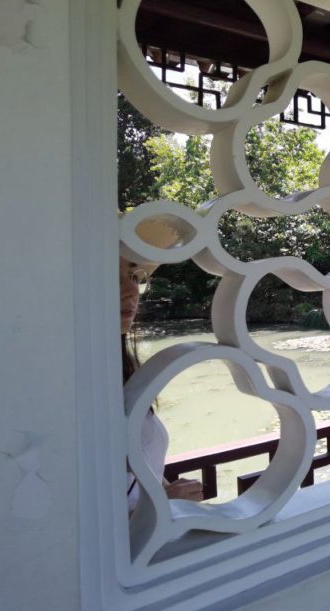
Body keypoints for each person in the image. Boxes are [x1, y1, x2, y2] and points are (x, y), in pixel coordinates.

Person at [121, 218, 204, 509]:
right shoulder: (66, 382)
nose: (130, 291)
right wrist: (161, 504)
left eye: (133, 276)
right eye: (109, 275)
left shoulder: (121, 368)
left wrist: (167, 490)